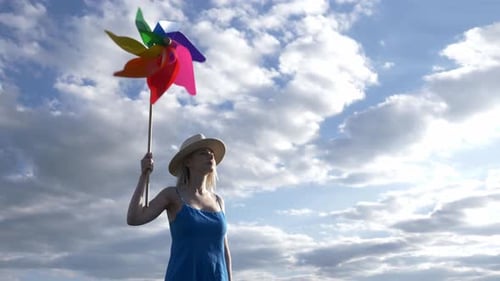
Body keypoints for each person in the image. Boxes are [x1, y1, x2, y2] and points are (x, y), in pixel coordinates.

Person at [127, 133, 232, 281]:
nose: (210, 156)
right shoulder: (172, 195)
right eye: (203, 153)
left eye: (212, 154)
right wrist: (144, 175)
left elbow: (225, 251)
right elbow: (134, 218)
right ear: (188, 161)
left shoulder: (219, 201)